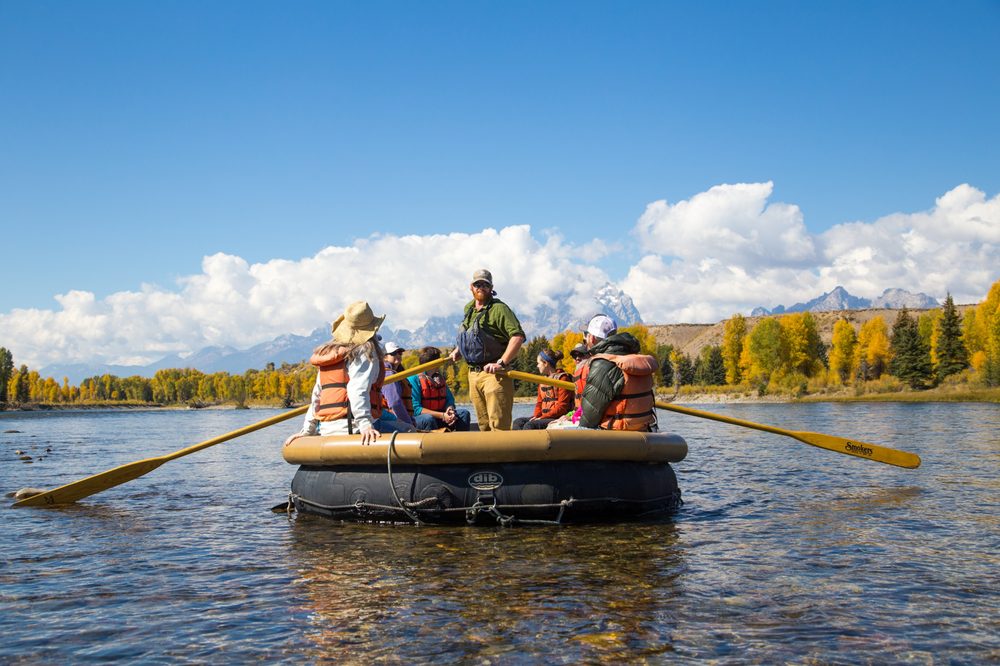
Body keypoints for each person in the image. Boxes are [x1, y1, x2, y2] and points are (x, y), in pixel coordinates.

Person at [284, 301, 413, 447]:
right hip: (354, 428)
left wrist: (307, 430)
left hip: (327, 429)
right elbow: (357, 389)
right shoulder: (366, 352)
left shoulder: (330, 356)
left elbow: (317, 396)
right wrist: (365, 425)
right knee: (409, 430)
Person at [449, 269, 525, 431]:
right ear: (471, 287)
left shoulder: (499, 309)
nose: (481, 287)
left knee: (498, 426)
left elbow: (517, 337)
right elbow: (471, 335)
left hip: (495, 376)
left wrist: (501, 363)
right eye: (477, 284)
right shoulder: (469, 309)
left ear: (491, 288)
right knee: (483, 426)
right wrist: (458, 350)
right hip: (473, 375)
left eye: (485, 284)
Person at [578, 313, 659, 431]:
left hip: (615, 433)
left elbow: (589, 417)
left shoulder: (603, 364)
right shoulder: (631, 356)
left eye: (587, 336)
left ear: (592, 338)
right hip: (642, 429)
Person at [409, 346, 471, 431]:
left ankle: (461, 439)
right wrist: (442, 415)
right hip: (420, 419)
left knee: (464, 413)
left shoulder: (439, 379)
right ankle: (433, 439)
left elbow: (449, 399)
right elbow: (416, 409)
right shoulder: (413, 380)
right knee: (428, 419)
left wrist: (450, 409)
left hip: (440, 416)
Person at [512, 348, 574, 430]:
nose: (537, 366)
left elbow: (562, 407)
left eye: (538, 363)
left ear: (545, 363)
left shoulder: (563, 378)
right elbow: (539, 403)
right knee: (518, 422)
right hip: (544, 416)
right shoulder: (543, 380)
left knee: (530, 425)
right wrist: (536, 416)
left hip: (557, 416)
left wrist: (542, 417)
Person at [380, 341, 415, 428]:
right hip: (390, 418)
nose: (398, 355)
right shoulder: (388, 374)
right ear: (385, 357)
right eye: (393, 353)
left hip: (399, 417)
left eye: (400, 352)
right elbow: (395, 403)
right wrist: (409, 424)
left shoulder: (397, 373)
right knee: (427, 420)